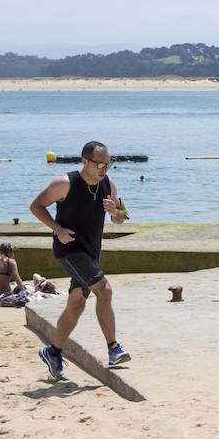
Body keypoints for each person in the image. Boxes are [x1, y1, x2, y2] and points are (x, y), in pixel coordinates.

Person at [30, 140, 132, 379]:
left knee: (77, 304)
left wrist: (114, 212)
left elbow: (123, 217)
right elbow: (36, 206)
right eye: (99, 164)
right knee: (104, 291)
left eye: (108, 163)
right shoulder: (64, 184)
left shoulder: (109, 185)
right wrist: (57, 229)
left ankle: (52, 352)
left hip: (91, 252)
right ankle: (113, 348)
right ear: (85, 161)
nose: (104, 168)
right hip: (69, 250)